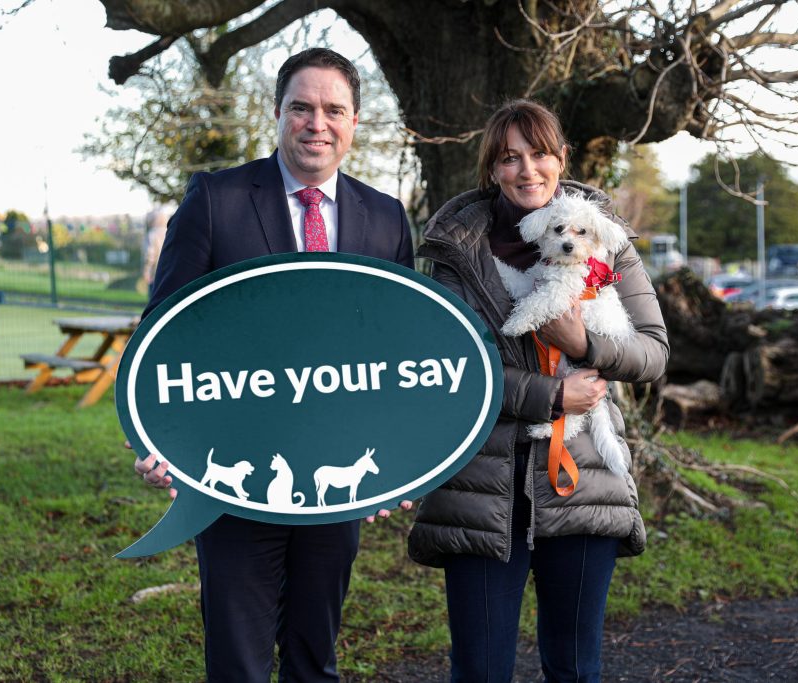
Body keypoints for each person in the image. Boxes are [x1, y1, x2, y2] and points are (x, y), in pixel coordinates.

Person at [132, 48, 414, 683]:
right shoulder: (217, 199)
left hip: (334, 473)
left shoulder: (386, 217)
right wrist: (154, 440)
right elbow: (163, 333)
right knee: (239, 661)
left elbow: (396, 352)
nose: (318, 123)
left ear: (355, 122)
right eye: (302, 108)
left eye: (333, 110)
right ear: (278, 114)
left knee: (316, 656)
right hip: (235, 471)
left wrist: (392, 462)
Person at [407, 99, 669, 683]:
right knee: (478, 669)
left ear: (561, 158)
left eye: (540, 154)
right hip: (479, 484)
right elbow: (444, 368)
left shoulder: (606, 240)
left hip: (582, 479)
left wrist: (586, 344)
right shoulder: (455, 249)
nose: (528, 170)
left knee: (575, 667)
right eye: (509, 158)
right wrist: (549, 397)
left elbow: (653, 351)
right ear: (491, 169)